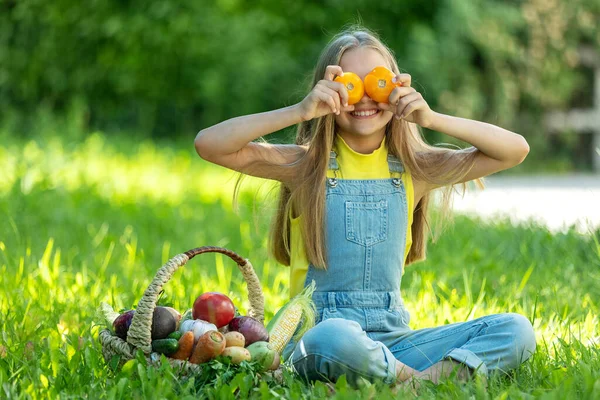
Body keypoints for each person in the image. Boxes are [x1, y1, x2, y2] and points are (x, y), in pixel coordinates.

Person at [194, 27, 536, 388]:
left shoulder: (416, 170)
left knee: (515, 330)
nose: (363, 98)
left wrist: (431, 119)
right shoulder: (304, 167)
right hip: (319, 339)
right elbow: (210, 144)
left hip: (395, 341)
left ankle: (410, 384)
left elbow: (514, 150)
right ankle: (430, 383)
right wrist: (301, 110)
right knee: (335, 337)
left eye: (376, 83)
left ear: (397, 88)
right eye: (347, 84)